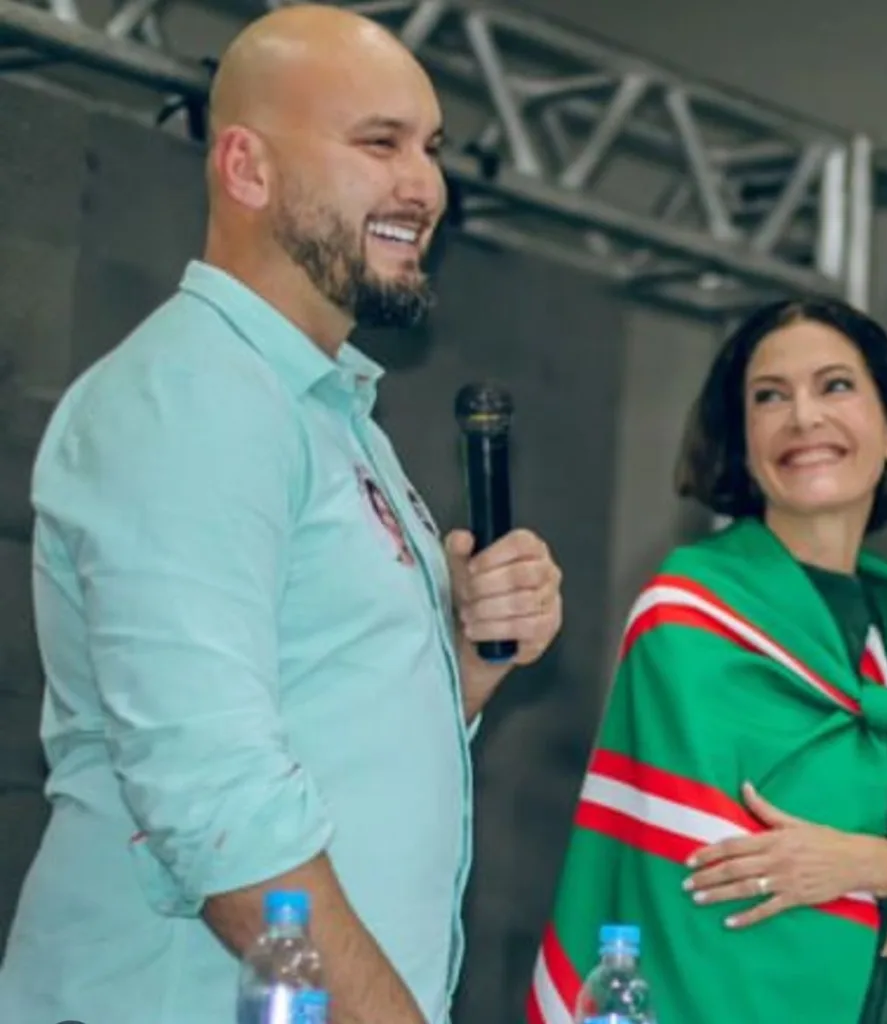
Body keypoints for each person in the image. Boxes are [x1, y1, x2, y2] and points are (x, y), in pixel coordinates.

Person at [0, 6, 563, 1024]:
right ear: (247, 170)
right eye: (378, 142)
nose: (424, 185)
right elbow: (216, 803)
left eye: (430, 149)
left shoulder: (333, 412)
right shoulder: (195, 395)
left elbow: (327, 720)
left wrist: (460, 677)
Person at [528, 298, 887, 1024]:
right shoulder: (689, 619)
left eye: (835, 386)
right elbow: (689, 887)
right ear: (742, 442)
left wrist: (869, 864)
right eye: (770, 397)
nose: (802, 418)